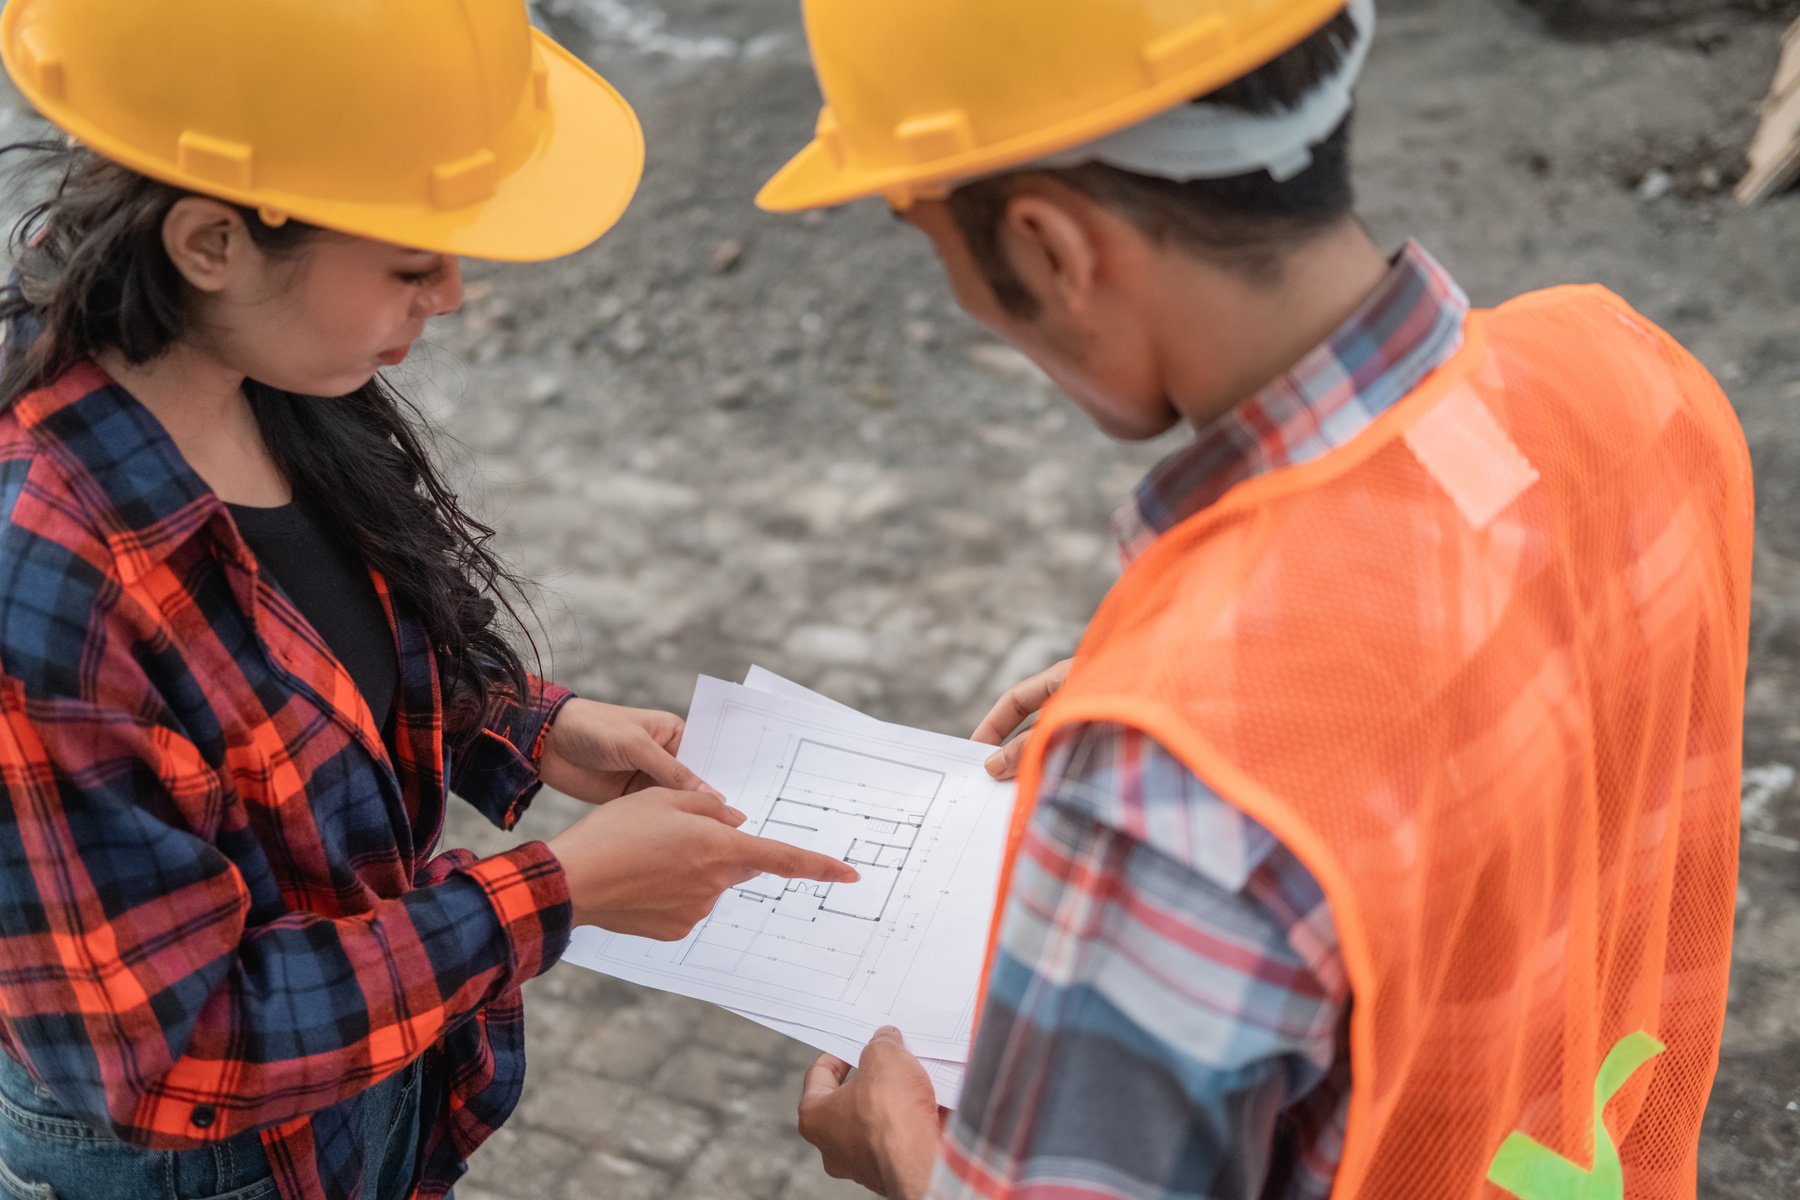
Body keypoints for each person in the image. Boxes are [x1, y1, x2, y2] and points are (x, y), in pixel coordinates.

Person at [764, 1, 1753, 1197]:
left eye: (938, 245)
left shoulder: (1167, 787)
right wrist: (1267, 695)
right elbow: (1510, 614)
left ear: (1045, 248)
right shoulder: (1629, 372)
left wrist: (903, 1155)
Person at [0, 3, 855, 1199]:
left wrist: (526, 726)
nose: (450, 294)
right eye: (410, 263)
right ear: (211, 242)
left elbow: (299, 665)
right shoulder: (46, 578)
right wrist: (561, 893)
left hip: (360, 1091)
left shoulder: (263, 373)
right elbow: (170, 1048)